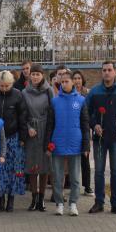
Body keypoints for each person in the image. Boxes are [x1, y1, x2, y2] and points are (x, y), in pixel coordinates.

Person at [86, 60, 116, 215]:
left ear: (115, 72)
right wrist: (94, 125)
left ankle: (115, 204)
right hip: (99, 139)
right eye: (104, 70)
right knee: (99, 171)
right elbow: (86, 113)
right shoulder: (94, 91)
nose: (106, 72)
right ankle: (99, 203)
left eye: (109, 70)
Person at [45, 69, 89, 217]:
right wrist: (48, 144)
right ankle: (59, 204)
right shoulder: (55, 101)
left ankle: (73, 204)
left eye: (67, 81)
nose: (64, 84)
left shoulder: (81, 100)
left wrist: (86, 145)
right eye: (62, 82)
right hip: (58, 143)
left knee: (75, 178)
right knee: (57, 177)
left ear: (73, 82)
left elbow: (85, 124)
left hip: (75, 144)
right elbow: (50, 124)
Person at [0, 70, 28, 212]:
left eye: (7, 86)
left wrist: (23, 137)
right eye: (1, 86)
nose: (4, 88)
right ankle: (1, 199)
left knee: (13, 169)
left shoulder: (18, 95)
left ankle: (11, 199)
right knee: (0, 169)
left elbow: (23, 117)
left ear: (11, 84)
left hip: (13, 137)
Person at [22, 63, 53, 212]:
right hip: (31, 131)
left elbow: (52, 112)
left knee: (44, 165)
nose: (35, 77)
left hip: (45, 129)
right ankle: (33, 198)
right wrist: (28, 128)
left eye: (37, 74)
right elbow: (22, 114)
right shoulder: (24, 92)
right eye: (33, 74)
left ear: (42, 76)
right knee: (32, 165)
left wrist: (50, 132)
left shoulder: (48, 90)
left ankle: (42, 199)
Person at [71, 70, 93, 195]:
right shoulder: (69, 93)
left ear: (82, 80)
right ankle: (70, 184)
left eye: (79, 78)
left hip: (84, 129)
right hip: (72, 129)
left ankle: (87, 186)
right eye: (75, 78)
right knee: (71, 160)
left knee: (85, 158)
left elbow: (92, 111)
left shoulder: (88, 94)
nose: (77, 80)